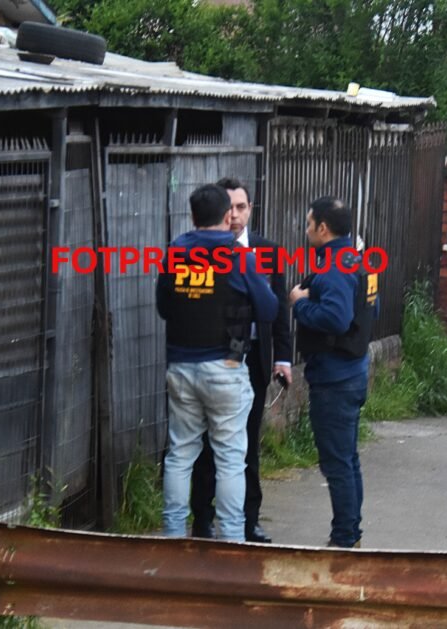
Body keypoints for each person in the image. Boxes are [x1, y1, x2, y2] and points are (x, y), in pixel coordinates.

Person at [156, 184, 278, 541]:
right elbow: (268, 309)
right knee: (229, 460)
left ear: (192, 216)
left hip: (181, 367)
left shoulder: (174, 253)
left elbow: (164, 307)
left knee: (180, 455)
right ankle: (232, 540)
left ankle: (173, 535)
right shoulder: (240, 258)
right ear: (227, 216)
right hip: (225, 368)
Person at [190, 177, 293, 543]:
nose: (235, 215)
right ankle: (203, 518)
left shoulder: (268, 252)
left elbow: (279, 310)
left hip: (252, 361)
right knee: (207, 444)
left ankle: (250, 520)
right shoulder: (199, 251)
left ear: (250, 210)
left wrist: (284, 357)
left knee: (248, 443)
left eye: (241, 207)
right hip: (213, 359)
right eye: (230, 207)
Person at [289, 196, 377, 549]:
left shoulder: (334, 269)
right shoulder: (356, 261)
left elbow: (337, 318)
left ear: (322, 228)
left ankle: (344, 539)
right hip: (352, 371)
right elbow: (370, 308)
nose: (306, 229)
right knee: (348, 459)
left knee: (337, 463)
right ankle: (350, 533)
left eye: (309, 223)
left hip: (335, 378)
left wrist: (300, 304)